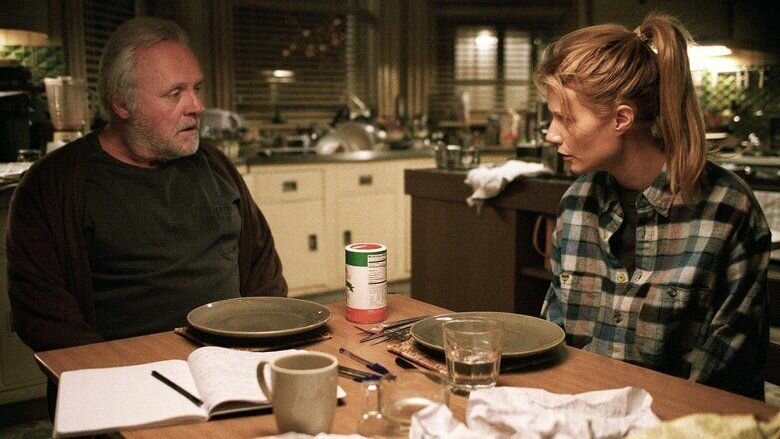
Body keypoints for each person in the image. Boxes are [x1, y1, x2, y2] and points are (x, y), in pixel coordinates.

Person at [6, 17, 287, 354]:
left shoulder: (216, 166)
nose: (197, 107)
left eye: (196, 89)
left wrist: (257, 348)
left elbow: (265, 275)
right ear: (122, 103)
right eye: (175, 93)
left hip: (233, 361)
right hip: (122, 374)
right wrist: (124, 371)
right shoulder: (53, 184)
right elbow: (43, 316)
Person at [536, 13, 770, 399]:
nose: (551, 134)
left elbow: (726, 373)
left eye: (565, 118)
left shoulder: (727, 211)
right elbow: (555, 337)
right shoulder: (577, 203)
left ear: (622, 119)